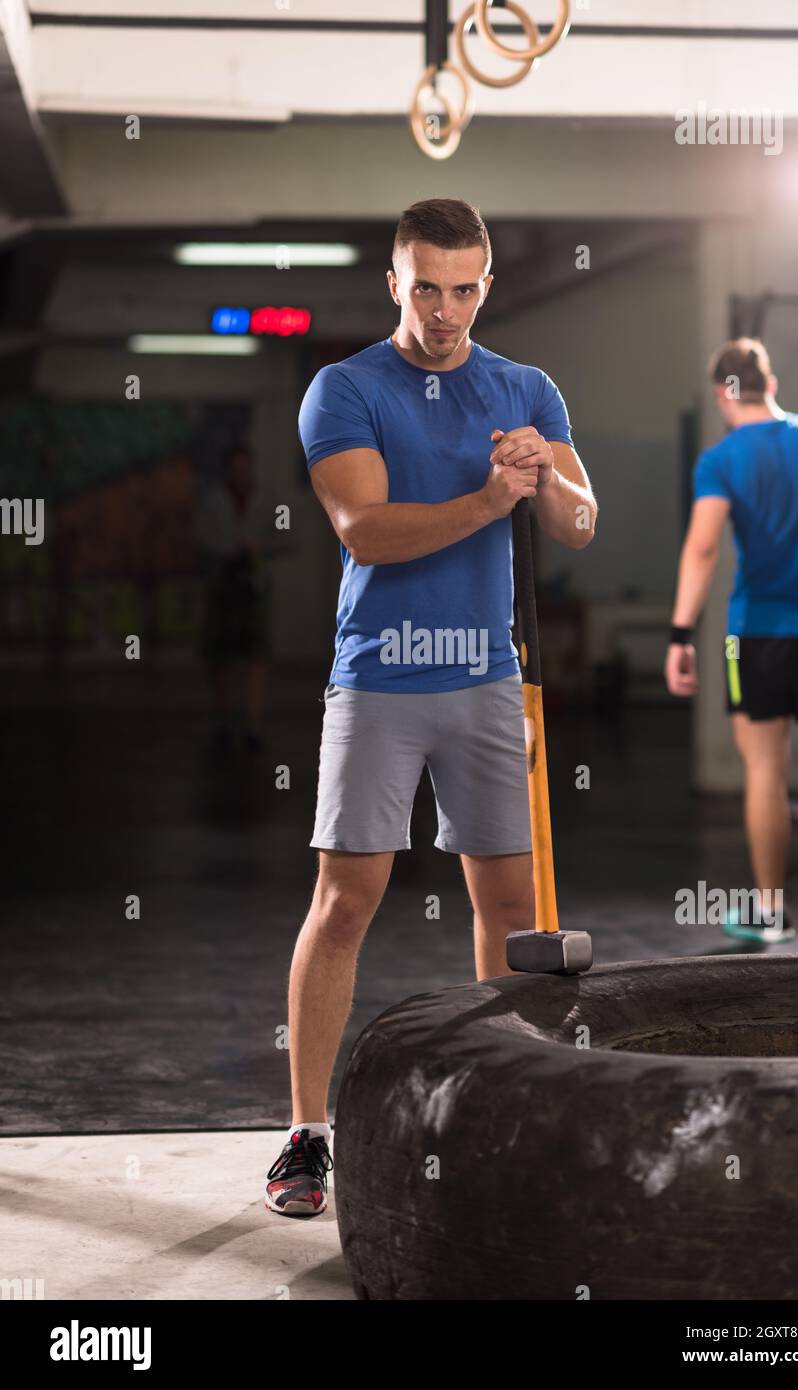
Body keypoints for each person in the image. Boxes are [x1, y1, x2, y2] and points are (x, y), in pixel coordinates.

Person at [264, 197, 597, 1217]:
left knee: (509, 910)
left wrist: (546, 483)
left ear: (485, 285)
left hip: (488, 683)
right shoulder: (345, 388)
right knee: (346, 900)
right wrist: (492, 501)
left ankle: (507, 1109)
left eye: (463, 288)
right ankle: (307, 1136)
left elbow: (582, 524)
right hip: (378, 683)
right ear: (394, 282)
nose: (444, 308)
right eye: (425, 287)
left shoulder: (526, 388)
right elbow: (367, 529)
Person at [666, 337, 798, 943]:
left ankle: (770, 911)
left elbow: (702, 548)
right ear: (770, 384)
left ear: (722, 397)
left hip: (754, 638)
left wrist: (680, 632)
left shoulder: (722, 458)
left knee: (764, 771)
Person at [195, 443, 273, 752]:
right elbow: (200, 534)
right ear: (228, 470)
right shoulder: (212, 500)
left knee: (255, 656)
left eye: (246, 466)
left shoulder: (267, 500)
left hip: (254, 588)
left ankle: (253, 724)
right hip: (221, 585)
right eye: (236, 467)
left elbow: (288, 536)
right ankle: (223, 721)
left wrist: (259, 548)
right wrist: (230, 546)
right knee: (220, 658)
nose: (241, 473)